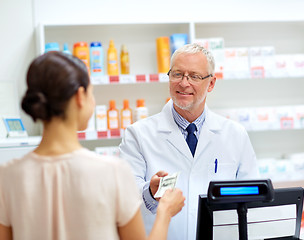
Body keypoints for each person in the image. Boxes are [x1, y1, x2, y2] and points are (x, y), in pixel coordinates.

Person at [0, 51, 185, 240]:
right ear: (80, 96)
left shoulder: (6, 176)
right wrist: (165, 212)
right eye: (92, 92)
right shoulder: (112, 172)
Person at [119, 43, 259, 240]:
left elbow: (253, 200)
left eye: (194, 76)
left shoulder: (235, 135)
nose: (184, 83)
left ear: (211, 84)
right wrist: (149, 193)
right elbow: (124, 200)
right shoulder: (137, 135)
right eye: (177, 74)